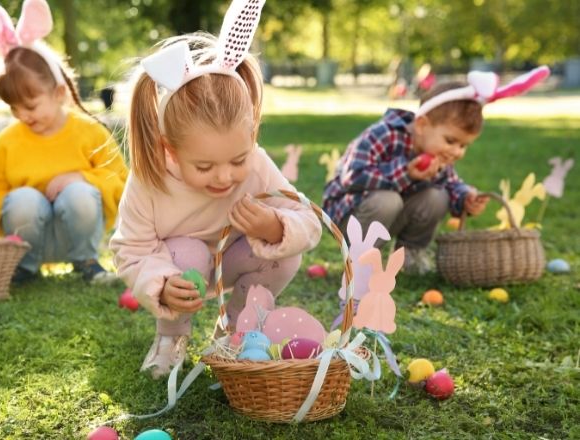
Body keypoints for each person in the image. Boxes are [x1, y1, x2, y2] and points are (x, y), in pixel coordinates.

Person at [110, 1, 322, 379]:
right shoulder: (150, 177)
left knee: (286, 254)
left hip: (235, 258)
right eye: (204, 167)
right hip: (180, 265)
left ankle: (238, 331)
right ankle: (171, 337)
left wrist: (275, 226)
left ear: (251, 134)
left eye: (237, 160)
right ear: (169, 149)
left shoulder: (255, 163)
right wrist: (159, 283)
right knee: (189, 250)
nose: (224, 177)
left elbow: (309, 219)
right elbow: (130, 249)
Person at [0, 0, 128, 284]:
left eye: (31, 105)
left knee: (79, 193)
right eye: (14, 108)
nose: (23, 115)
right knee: (23, 198)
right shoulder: (9, 140)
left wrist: (81, 177)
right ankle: (24, 267)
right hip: (26, 238)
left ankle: (86, 261)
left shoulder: (88, 132)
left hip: (75, 234)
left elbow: (120, 180)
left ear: (59, 93)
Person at [322, 66, 550, 275]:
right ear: (422, 125)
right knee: (387, 200)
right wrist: (406, 173)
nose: (457, 152)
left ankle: (410, 257)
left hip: (390, 215)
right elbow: (352, 176)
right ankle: (361, 263)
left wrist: (465, 197)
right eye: (451, 141)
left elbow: (450, 183)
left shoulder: (438, 153)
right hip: (350, 214)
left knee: (437, 196)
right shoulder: (384, 134)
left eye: (463, 145)